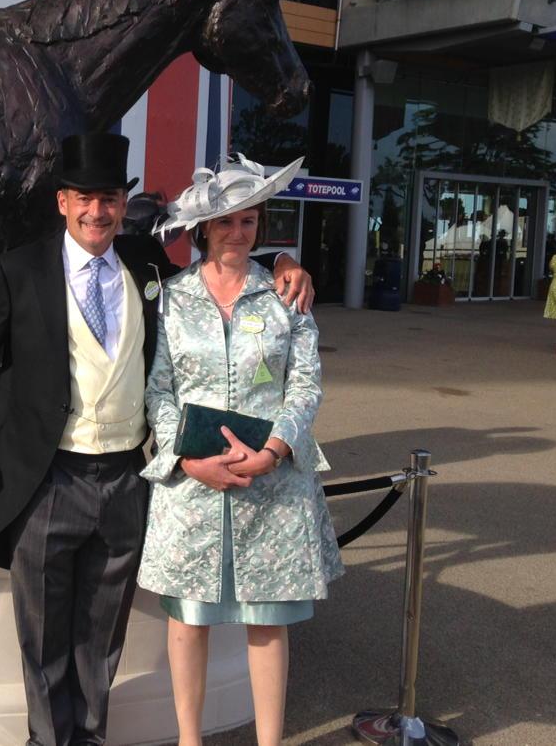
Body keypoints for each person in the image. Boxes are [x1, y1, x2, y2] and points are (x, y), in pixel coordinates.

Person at [0, 135, 314, 746]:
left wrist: (287, 264)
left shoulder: (146, 263)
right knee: (41, 628)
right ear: (62, 202)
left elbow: (226, 258)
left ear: (122, 204)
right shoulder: (18, 268)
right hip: (43, 476)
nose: (97, 212)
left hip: (122, 477)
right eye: (84, 198)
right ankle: (46, 738)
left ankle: (89, 737)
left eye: (109, 199)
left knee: (101, 629)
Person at [137, 153, 342, 746]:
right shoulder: (172, 298)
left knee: (268, 619)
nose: (237, 232)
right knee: (189, 618)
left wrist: (275, 449)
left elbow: (306, 383)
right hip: (192, 480)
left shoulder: (285, 296)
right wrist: (186, 459)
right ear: (204, 227)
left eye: (249, 222)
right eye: (226, 221)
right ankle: (189, 739)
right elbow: (159, 388)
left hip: (271, 481)